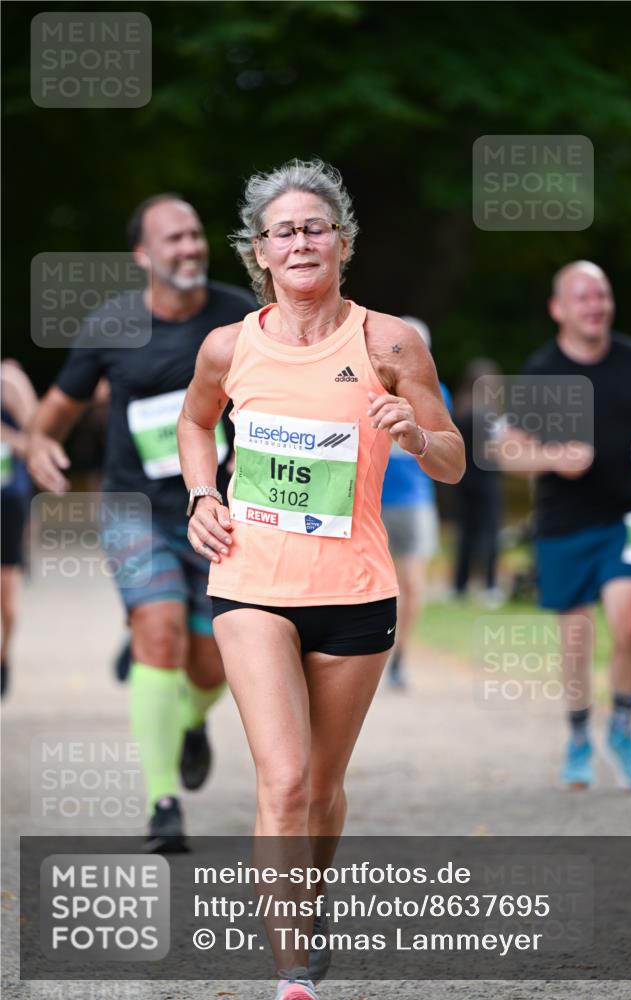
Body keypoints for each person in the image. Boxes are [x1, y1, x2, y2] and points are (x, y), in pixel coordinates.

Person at [177, 159, 465, 1000]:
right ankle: (291, 971)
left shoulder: (389, 343)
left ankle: (309, 894)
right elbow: (197, 423)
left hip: (356, 591)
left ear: (341, 242)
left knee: (325, 790)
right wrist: (202, 492)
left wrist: (414, 430)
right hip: (251, 583)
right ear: (257, 252)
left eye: (314, 227)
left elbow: (452, 460)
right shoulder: (228, 345)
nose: (299, 241)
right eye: (282, 231)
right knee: (287, 778)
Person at [26, 194, 256, 850]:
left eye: (193, 235)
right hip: (138, 511)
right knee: (157, 631)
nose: (188, 247)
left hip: (220, 510)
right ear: (142, 256)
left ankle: (187, 719)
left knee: (213, 664)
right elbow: (52, 417)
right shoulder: (112, 325)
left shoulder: (239, 317)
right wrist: (41, 446)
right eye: (172, 239)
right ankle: (162, 804)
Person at [498, 261, 631, 790]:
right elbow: (507, 451)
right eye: (583, 297)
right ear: (559, 309)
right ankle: (577, 738)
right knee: (576, 640)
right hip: (564, 522)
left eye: (602, 295)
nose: (595, 306)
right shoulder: (541, 372)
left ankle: (621, 727)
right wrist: (552, 455)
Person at [380, 316, 453, 689]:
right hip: (371, 499)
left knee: (412, 585)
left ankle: (400, 657)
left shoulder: (435, 392)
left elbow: (442, 449)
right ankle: (371, 655)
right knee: (373, 584)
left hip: (413, 501)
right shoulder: (370, 384)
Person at [452, 358, 503, 607]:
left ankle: (459, 586)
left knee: (466, 534)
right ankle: (490, 585)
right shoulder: (489, 416)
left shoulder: (460, 411)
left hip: (463, 481)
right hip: (486, 481)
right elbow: (496, 450)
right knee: (490, 533)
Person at [1, 359, 38, 698]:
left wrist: (6, 435)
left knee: (7, 598)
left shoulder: (10, 381)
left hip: (5, 501)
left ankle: (4, 654)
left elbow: (37, 444)